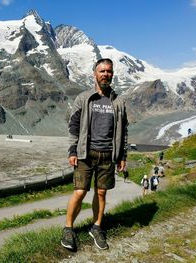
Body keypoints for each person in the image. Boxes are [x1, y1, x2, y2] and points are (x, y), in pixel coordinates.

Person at [61, 58, 128, 251]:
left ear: (112, 74)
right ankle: (68, 229)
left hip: (108, 155)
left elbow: (123, 131)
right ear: (95, 74)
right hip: (85, 154)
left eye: (109, 71)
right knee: (80, 191)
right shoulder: (84, 98)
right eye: (102, 71)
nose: (106, 74)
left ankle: (96, 227)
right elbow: (73, 126)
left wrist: (122, 156)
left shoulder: (118, 101)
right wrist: (72, 150)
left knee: (101, 192)